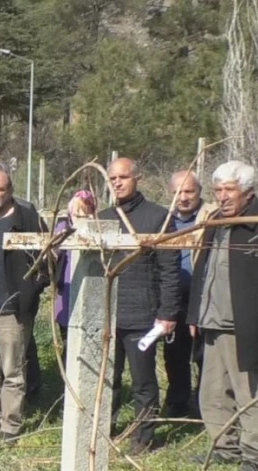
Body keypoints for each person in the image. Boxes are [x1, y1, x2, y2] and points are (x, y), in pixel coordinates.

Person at [188, 161, 258, 471]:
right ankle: (224, 449)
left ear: (247, 192)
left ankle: (255, 458)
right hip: (213, 322)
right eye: (217, 190)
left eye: (229, 190)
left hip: (249, 325)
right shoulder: (213, 221)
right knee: (212, 393)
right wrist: (196, 312)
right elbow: (202, 270)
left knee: (253, 394)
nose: (222, 197)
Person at [99, 157, 182, 454]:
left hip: (143, 318)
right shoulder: (104, 217)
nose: (117, 183)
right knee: (108, 377)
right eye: (112, 178)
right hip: (108, 315)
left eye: (123, 177)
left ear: (137, 179)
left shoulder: (157, 217)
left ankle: (143, 437)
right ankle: (103, 430)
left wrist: (167, 313)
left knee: (143, 381)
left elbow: (170, 270)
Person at [0, 163, 48, 441]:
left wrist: (28, 293)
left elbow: (47, 263)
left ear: (10, 191)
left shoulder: (28, 219)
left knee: (12, 371)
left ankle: (10, 426)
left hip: (12, 311)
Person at [165, 170, 210, 419]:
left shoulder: (211, 216)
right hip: (174, 298)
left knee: (204, 354)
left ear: (199, 192)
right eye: (177, 192)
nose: (183, 198)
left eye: (188, 191)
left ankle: (204, 405)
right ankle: (178, 401)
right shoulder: (164, 220)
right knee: (174, 353)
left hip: (204, 298)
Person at [53, 191, 98, 354]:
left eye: (86, 212)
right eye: (77, 213)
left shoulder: (98, 229)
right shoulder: (63, 228)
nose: (81, 217)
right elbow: (53, 253)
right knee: (68, 340)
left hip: (91, 291)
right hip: (67, 288)